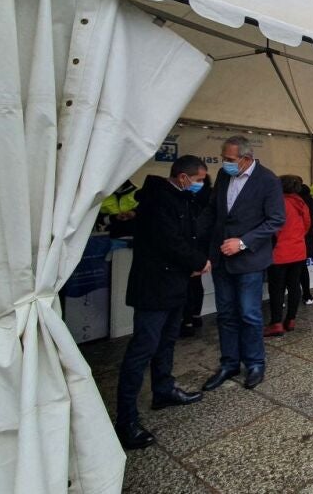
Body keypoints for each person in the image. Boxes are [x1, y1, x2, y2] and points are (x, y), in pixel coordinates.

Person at [116, 156, 210, 450]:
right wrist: (199, 261)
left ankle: (163, 390)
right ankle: (126, 420)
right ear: (183, 177)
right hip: (154, 287)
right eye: (199, 180)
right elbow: (169, 242)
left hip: (175, 284)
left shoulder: (180, 198)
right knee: (142, 350)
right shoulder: (158, 200)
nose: (201, 185)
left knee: (167, 342)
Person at [199, 136, 285, 392]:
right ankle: (229, 363)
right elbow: (213, 212)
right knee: (225, 314)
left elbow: (276, 220)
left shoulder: (268, 180)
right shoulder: (224, 176)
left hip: (249, 260)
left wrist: (243, 242)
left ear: (246, 159)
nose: (224, 162)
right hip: (221, 259)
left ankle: (255, 363)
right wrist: (194, 239)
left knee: (249, 314)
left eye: (229, 159)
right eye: (223, 157)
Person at [264, 175, 313, 337]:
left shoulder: (277, 202)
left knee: (277, 288)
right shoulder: (301, 202)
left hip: (279, 252)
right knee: (294, 286)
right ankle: (291, 320)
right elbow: (307, 225)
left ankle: (276, 323)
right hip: (298, 251)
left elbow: (271, 227)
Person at [181, 174, 212, 337]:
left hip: (191, 244)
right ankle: (196, 315)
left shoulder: (189, 198)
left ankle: (187, 321)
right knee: (196, 282)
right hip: (203, 246)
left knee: (188, 284)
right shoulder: (211, 196)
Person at [298, 183, 313, 304]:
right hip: (306, 242)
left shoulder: (297, 203)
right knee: (303, 269)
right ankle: (307, 295)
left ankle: (281, 300)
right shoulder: (310, 201)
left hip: (296, 242)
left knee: (288, 272)